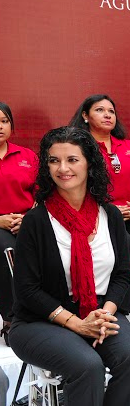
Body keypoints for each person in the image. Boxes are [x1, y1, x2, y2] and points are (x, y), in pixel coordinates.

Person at [9, 127, 130, 406]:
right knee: (85, 364)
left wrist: (104, 312)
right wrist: (75, 322)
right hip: (40, 320)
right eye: (54, 160)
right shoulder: (37, 221)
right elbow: (26, 290)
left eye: (72, 159)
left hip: (97, 311)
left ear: (90, 164)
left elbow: (121, 276)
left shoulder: (109, 216)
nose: (63, 168)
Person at [69, 94, 130, 325]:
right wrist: (111, 210)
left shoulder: (128, 146)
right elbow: (76, 185)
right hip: (99, 215)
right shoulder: (79, 148)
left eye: (111, 111)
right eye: (100, 110)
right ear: (85, 116)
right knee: (123, 244)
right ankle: (118, 306)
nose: (107, 115)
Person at [0, 101, 37, 336]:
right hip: (0, 226)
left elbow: (41, 193)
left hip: (27, 220)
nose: (0, 126)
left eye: (4, 121)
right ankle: (12, 319)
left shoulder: (27, 156)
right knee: (8, 252)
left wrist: (29, 217)